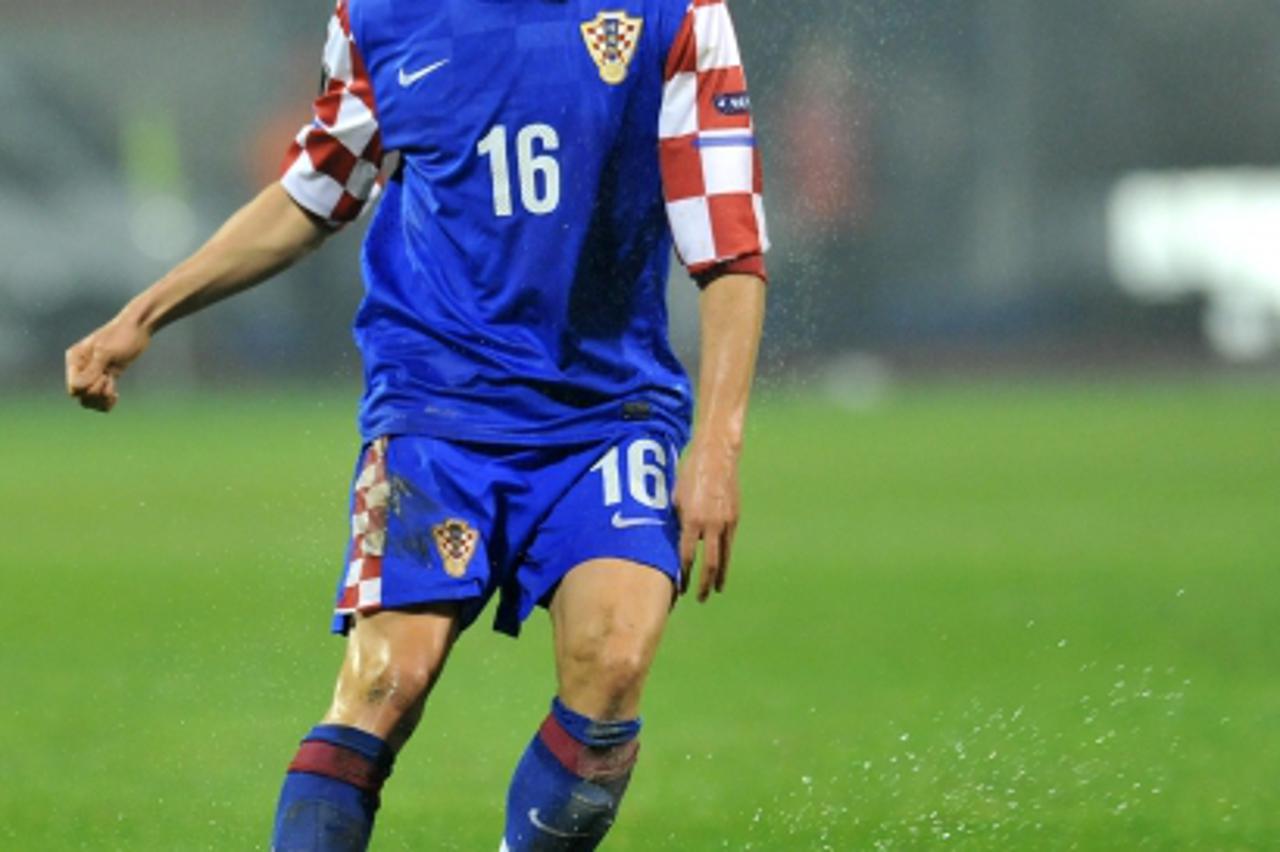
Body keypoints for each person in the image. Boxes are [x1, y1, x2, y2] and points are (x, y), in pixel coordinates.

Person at [65, 0, 768, 848]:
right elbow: (315, 189)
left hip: (608, 413)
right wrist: (144, 314)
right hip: (437, 410)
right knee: (385, 682)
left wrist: (718, 449)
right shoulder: (381, 18)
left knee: (614, 664)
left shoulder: (676, 14)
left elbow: (729, 240)